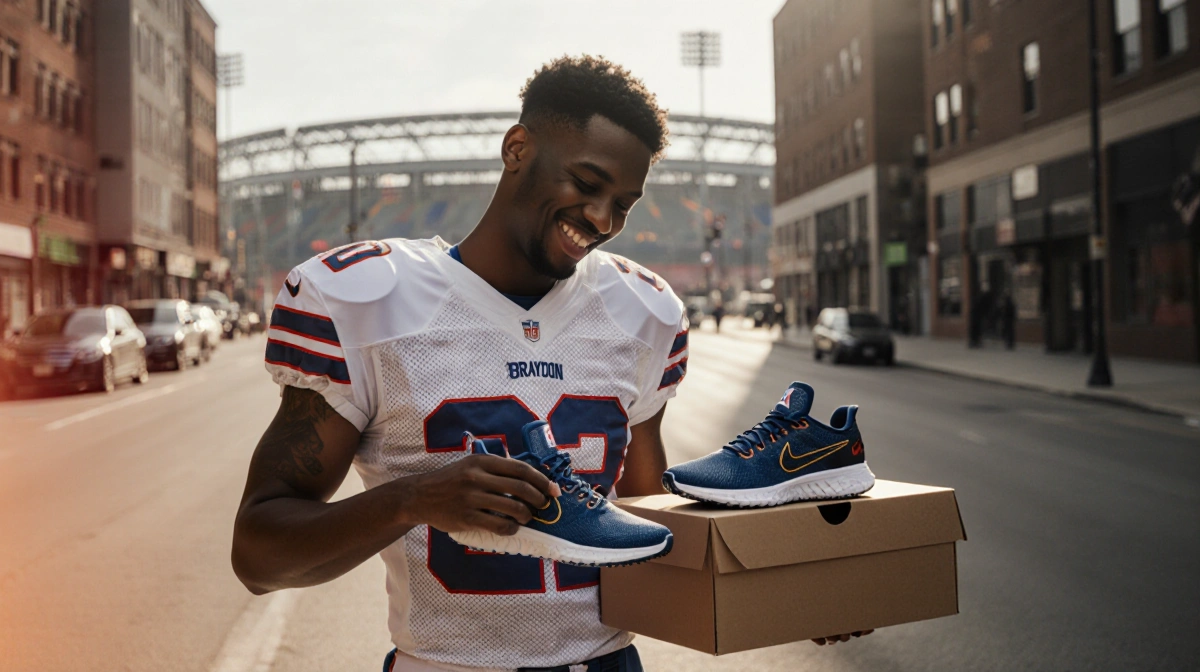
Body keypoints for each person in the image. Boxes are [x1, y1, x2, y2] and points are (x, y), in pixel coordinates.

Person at [231, 55, 868, 672]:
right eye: (588, 185)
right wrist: (415, 499)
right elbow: (259, 555)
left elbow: (652, 531)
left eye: (624, 203)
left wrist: (797, 590)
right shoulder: (370, 299)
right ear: (517, 150)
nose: (601, 218)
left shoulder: (640, 311)